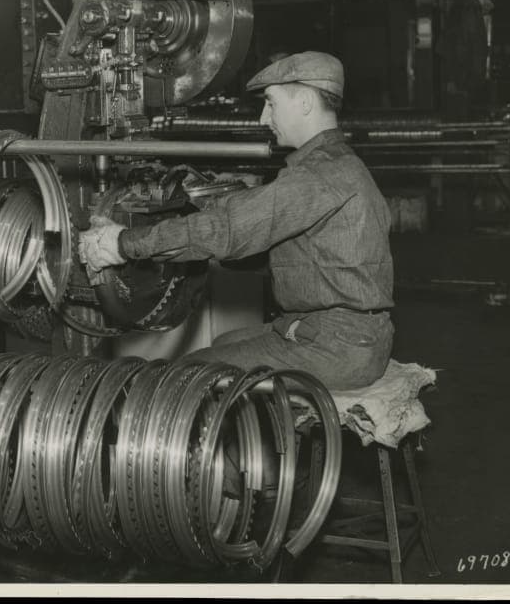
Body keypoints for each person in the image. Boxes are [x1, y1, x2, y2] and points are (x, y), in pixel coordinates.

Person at [78, 51, 395, 389]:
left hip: (336, 346)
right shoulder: (337, 163)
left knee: (184, 376)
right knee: (224, 343)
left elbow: (230, 230)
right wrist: (208, 223)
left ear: (304, 102)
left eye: (271, 103)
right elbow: (278, 248)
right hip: (347, 335)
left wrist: (122, 244)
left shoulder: (319, 175)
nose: (263, 118)